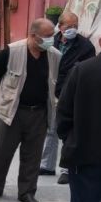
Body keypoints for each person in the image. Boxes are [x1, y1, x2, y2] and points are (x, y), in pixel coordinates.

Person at [0, 18, 61, 202]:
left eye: (52, 36)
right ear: (33, 35)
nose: (51, 40)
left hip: (39, 113)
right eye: (47, 36)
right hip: (12, 111)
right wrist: (10, 93)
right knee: (2, 151)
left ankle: (27, 192)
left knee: (33, 155)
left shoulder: (55, 55)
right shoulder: (12, 51)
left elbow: (55, 82)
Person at [55, 38, 101, 202]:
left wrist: (71, 140)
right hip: (85, 156)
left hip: (85, 157)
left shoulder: (82, 71)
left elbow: (63, 114)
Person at [39, 12, 95, 185]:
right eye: (69, 26)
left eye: (75, 26)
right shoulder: (52, 42)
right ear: (60, 26)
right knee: (51, 128)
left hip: (73, 93)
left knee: (69, 129)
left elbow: (87, 71)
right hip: (52, 90)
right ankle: (47, 165)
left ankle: (66, 169)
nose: (73, 29)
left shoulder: (85, 46)